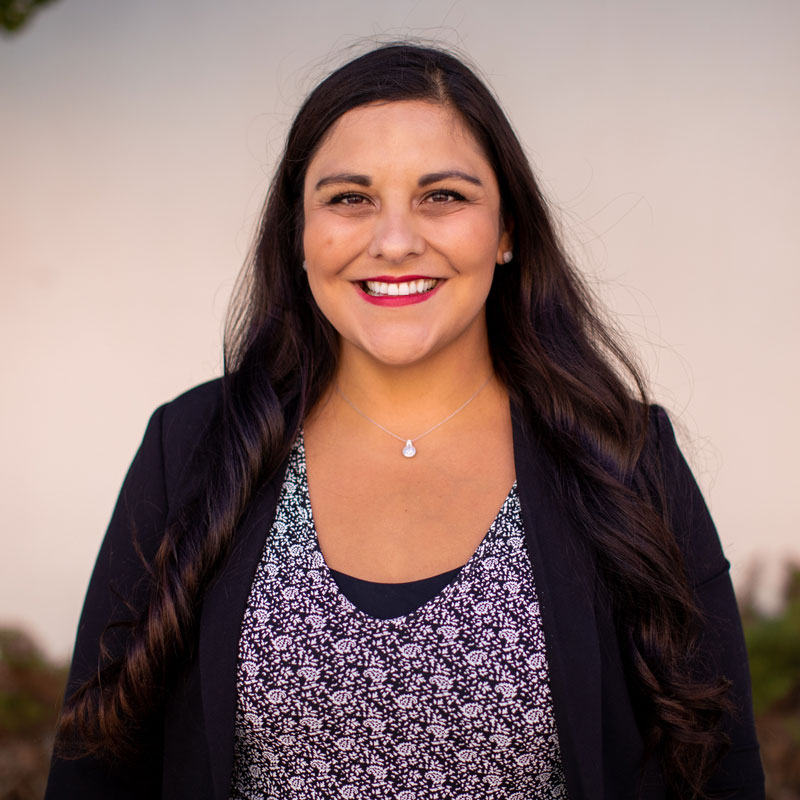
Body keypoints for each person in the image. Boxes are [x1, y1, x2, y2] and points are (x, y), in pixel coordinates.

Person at [45, 43, 764, 799]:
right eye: (350, 198)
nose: (393, 241)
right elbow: (95, 770)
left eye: (443, 196)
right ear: (299, 231)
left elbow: (721, 771)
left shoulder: (625, 458)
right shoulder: (191, 447)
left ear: (508, 228)